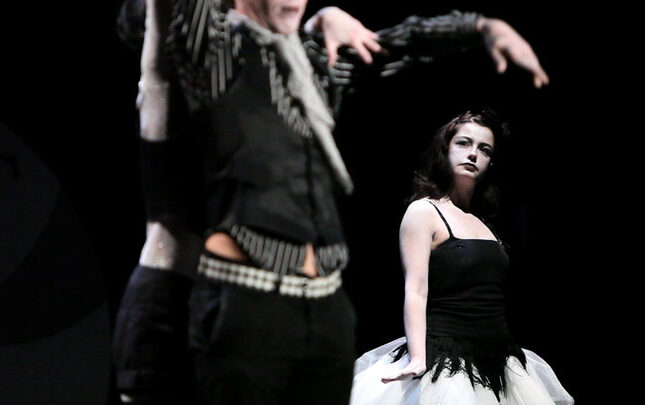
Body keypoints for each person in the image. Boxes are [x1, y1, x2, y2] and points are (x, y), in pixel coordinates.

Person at [112, 1, 551, 403]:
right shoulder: (206, 60)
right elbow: (171, 20)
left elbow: (387, 45)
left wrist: (478, 26)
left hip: (319, 311)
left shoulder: (308, 71)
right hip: (229, 299)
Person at [349, 110, 574, 405]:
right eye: (464, 143)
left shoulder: (483, 220)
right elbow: (416, 289)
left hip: (498, 358)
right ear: (445, 149)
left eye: (484, 149)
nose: (473, 154)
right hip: (446, 359)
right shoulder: (425, 211)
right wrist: (418, 357)